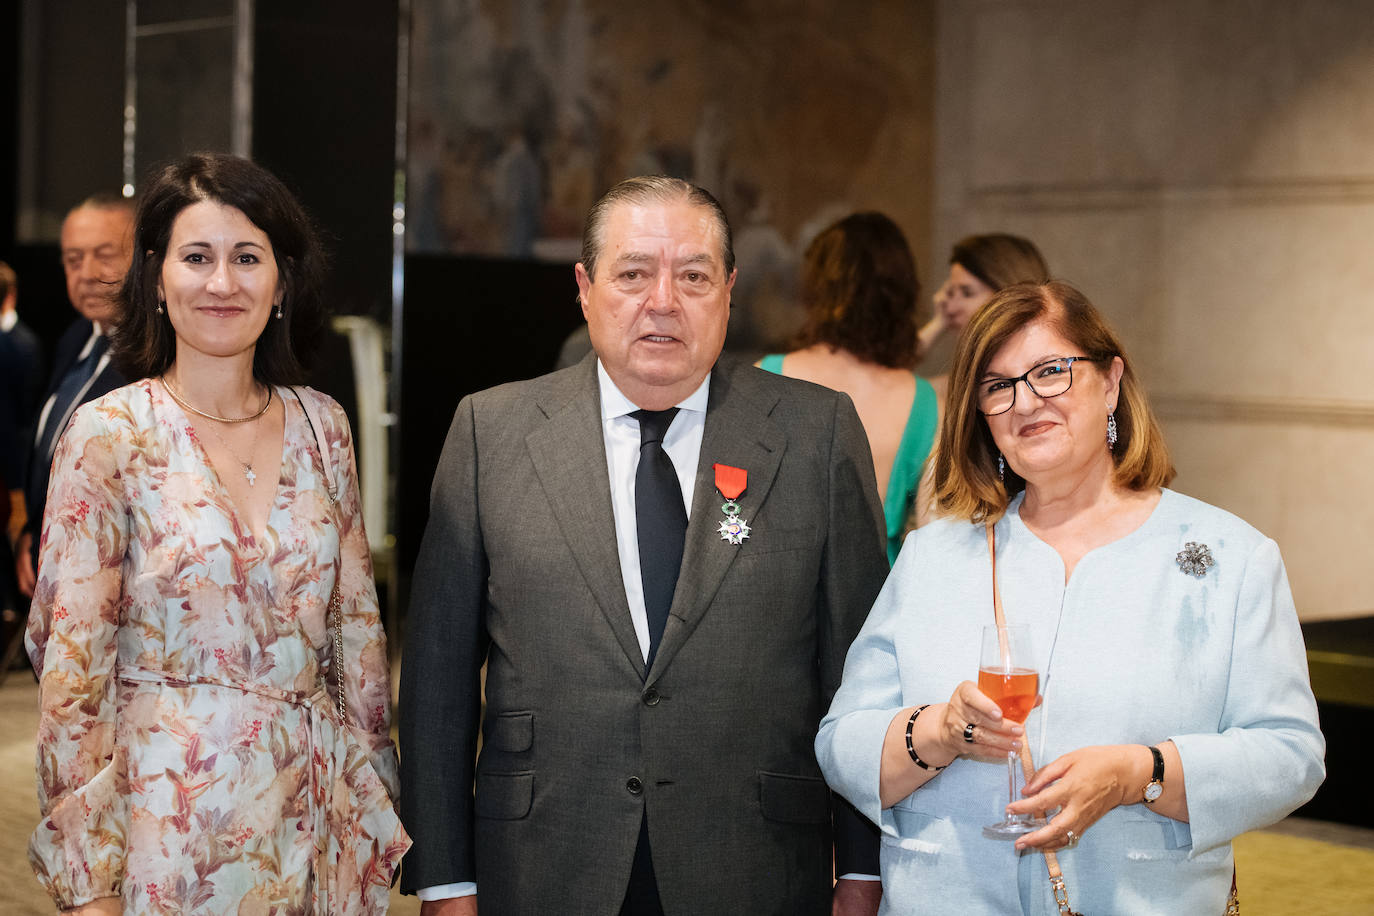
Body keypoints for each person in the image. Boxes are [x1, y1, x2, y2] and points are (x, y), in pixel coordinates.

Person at [400, 176, 888, 916]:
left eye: (692, 276)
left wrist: (862, 867)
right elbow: (436, 682)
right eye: (633, 273)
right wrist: (444, 878)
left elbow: (860, 672)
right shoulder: (489, 433)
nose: (663, 300)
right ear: (585, 288)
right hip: (543, 867)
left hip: (755, 866)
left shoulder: (812, 434)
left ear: (727, 290)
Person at [815, 280, 1325, 913]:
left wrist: (1143, 773)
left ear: (1110, 382)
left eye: (1051, 372)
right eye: (998, 386)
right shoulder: (932, 558)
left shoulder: (1230, 557)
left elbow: (1291, 754)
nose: (1025, 402)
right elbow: (842, 742)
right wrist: (938, 733)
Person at [25, 152, 409, 915]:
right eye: (196, 257)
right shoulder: (109, 435)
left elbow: (358, 644)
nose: (222, 282)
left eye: (247, 257)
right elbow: (73, 683)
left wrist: (372, 809)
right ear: (157, 279)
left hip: (310, 831)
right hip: (164, 839)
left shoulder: (322, 427)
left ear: (281, 282)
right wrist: (89, 888)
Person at [757, 212, 938, 564]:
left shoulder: (768, 374)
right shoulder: (923, 399)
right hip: (882, 599)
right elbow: (935, 532)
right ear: (901, 294)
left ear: (817, 288)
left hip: (782, 591)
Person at [14, 194, 134, 598]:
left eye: (105, 255)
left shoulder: (162, 364)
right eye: (73, 259)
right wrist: (32, 532)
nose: (86, 273)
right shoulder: (75, 338)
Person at [917, 233, 1050, 397]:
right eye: (951, 293)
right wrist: (937, 324)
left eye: (967, 293)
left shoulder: (1043, 374)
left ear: (1006, 294)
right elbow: (887, 385)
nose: (950, 309)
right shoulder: (957, 386)